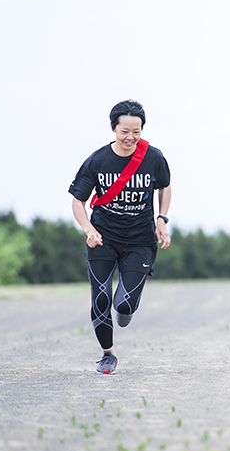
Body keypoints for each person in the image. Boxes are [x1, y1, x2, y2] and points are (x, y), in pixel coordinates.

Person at [69, 100, 172, 374]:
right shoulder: (98, 160)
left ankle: (125, 311)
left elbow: (165, 186)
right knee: (100, 298)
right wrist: (89, 230)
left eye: (136, 132)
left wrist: (161, 218)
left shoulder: (153, 157)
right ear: (113, 128)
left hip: (140, 241)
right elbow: (78, 201)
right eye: (125, 131)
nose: (130, 138)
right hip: (103, 238)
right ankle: (107, 354)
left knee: (123, 305)